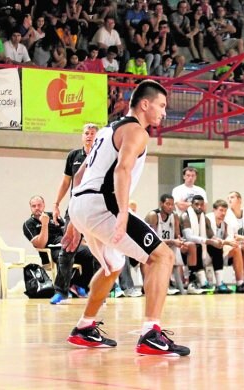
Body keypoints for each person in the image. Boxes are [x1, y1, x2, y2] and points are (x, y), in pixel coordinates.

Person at [62, 79, 190, 356]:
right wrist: (122, 212)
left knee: (113, 265)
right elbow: (122, 171)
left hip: (82, 204)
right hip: (103, 205)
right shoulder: (136, 130)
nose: (164, 112)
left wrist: (75, 219)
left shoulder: (108, 131)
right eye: (161, 105)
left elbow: (82, 174)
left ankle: (84, 327)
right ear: (145, 104)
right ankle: (151, 334)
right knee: (162, 257)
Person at [49, 124, 99, 304]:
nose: (89, 136)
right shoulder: (73, 156)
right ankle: (61, 291)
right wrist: (56, 204)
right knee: (67, 248)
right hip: (76, 208)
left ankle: (97, 292)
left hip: (95, 208)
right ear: (82, 136)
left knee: (99, 251)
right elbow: (65, 183)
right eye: (86, 133)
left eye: (93, 134)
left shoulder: (102, 156)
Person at [22, 195, 97, 303]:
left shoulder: (53, 216)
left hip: (66, 244)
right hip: (52, 251)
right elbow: (40, 245)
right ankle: (61, 291)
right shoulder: (29, 224)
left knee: (92, 254)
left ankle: (78, 284)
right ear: (30, 207)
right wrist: (44, 224)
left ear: (44, 205)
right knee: (64, 256)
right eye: (34, 206)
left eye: (39, 205)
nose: (37, 208)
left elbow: (67, 231)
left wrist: (84, 242)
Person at [144, 194, 196, 295]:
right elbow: (151, 241)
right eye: (168, 204)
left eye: (172, 204)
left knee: (188, 246)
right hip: (149, 246)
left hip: (167, 245)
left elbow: (177, 235)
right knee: (166, 252)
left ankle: (187, 283)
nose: (171, 207)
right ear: (161, 204)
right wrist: (173, 241)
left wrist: (180, 242)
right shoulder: (153, 215)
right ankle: (162, 285)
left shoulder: (174, 215)